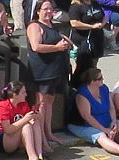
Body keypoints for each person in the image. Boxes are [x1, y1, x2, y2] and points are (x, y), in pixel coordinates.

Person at [27, 0, 72, 145]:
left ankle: (48, 132)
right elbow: (36, 46)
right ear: (38, 11)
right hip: (42, 71)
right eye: (45, 9)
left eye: (50, 9)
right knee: (40, 103)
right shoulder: (34, 26)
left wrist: (65, 43)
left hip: (55, 70)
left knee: (49, 102)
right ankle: (41, 138)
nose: (48, 12)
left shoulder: (53, 26)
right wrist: (57, 47)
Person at [0, 81, 52, 160]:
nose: (26, 95)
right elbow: (7, 130)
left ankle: (39, 155)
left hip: (17, 138)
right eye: (23, 92)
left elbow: (31, 120)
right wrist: (25, 119)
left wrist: (37, 116)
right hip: (4, 141)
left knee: (34, 123)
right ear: (15, 95)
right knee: (26, 125)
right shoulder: (3, 106)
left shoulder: (23, 104)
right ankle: (32, 159)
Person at [68, 0, 106, 88]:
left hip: (96, 38)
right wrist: (91, 27)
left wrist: (102, 24)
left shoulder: (94, 3)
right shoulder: (75, 6)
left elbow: (103, 16)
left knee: (94, 63)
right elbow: (74, 23)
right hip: (82, 39)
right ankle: (77, 85)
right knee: (81, 65)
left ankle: (91, 83)